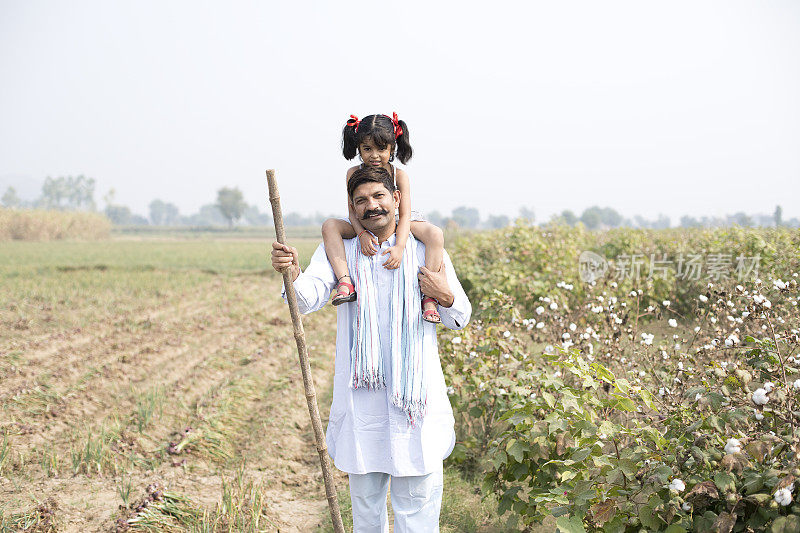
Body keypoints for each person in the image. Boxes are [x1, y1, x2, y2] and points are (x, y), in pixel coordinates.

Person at [271, 165, 471, 532]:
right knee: (365, 512)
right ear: (352, 207)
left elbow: (459, 316)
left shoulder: (424, 247)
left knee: (418, 514)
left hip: (416, 408)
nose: (371, 206)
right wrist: (293, 272)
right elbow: (306, 298)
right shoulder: (341, 251)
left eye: (379, 196)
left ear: (397, 199)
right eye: (361, 200)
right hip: (362, 405)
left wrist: (445, 296)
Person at [321, 113, 445, 324]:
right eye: (367, 149)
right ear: (359, 148)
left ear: (392, 148)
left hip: (398, 219)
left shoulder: (399, 175)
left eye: (381, 149)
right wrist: (360, 233)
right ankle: (345, 282)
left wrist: (399, 246)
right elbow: (352, 209)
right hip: (364, 219)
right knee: (330, 225)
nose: (374, 156)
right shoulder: (353, 172)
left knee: (435, 234)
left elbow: (405, 214)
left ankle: (429, 297)